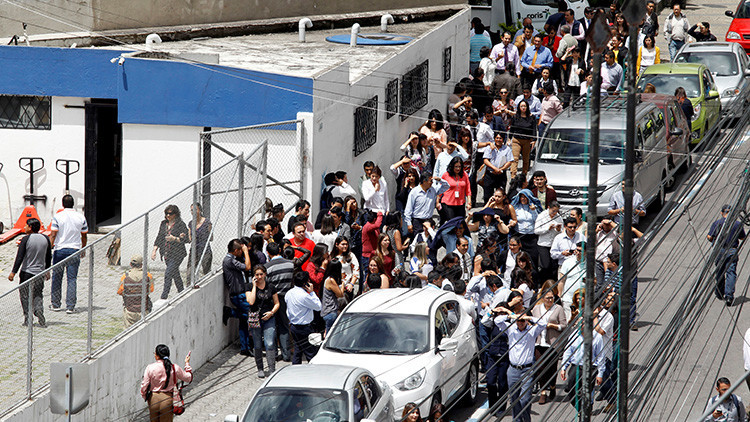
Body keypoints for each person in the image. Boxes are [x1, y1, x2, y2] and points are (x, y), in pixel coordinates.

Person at [494, 307, 547, 422]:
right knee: (514, 400)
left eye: (522, 321)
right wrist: (509, 316)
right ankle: (517, 420)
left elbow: (543, 323)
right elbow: (497, 321)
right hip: (513, 369)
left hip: (527, 369)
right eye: (518, 320)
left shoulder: (532, 331)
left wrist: (529, 317)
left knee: (525, 400)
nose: (520, 323)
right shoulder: (511, 329)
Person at [48, 194, 88, 313]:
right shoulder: (81, 217)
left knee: (57, 277)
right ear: (73, 203)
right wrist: (83, 248)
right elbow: (84, 235)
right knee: (72, 279)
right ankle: (70, 306)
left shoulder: (58, 217)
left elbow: (53, 234)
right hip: (74, 249)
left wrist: (50, 247)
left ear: (62, 204)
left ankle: (55, 304)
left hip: (59, 250)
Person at [9, 218, 51, 327]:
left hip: (26, 272)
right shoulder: (45, 238)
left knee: (24, 295)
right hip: (40, 273)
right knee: (38, 294)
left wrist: (13, 272)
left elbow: (20, 257)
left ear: (30, 227)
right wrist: (47, 270)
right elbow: (48, 257)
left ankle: (28, 317)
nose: (24, 227)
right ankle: (38, 311)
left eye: (26, 226)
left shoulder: (25, 239)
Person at [532, 284, 567, 404]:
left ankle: (552, 386)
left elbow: (564, 326)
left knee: (551, 368)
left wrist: (553, 325)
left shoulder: (558, 309)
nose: (550, 300)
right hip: (539, 342)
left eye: (552, 298)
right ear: (542, 298)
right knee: (540, 367)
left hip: (552, 344)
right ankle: (543, 392)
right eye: (547, 298)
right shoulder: (536, 309)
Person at [141, 344, 192, 422]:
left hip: (153, 399)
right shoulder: (174, 368)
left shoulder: (150, 367)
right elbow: (188, 378)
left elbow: (144, 385)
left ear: (157, 356)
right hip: (167, 400)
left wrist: (145, 397)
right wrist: (187, 364)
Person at [707, 204, 747, 306]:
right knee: (731, 273)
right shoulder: (737, 224)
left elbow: (709, 237)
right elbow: (742, 237)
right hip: (732, 251)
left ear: (722, 212)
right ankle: (729, 296)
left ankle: (720, 293)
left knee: (719, 271)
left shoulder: (717, 223)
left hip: (719, 251)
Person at [151, 204, 190, 300]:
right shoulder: (163, 224)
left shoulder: (180, 224)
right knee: (175, 273)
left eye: (170, 214)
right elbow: (159, 237)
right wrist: (154, 250)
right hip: (166, 254)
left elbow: (186, 240)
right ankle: (181, 291)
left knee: (168, 273)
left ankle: (164, 296)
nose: (168, 216)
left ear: (175, 214)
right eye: (166, 214)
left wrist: (175, 239)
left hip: (177, 254)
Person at [222, 239, 253, 356]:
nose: (242, 252)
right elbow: (247, 267)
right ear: (236, 250)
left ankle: (245, 347)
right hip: (237, 294)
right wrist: (246, 252)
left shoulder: (233, 259)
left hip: (241, 292)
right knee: (250, 315)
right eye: (240, 250)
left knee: (244, 321)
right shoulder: (229, 260)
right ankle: (230, 312)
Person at [248, 264, 280, 377]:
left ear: (265, 274)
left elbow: (277, 303)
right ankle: (260, 368)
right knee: (257, 344)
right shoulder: (249, 287)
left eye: (261, 274)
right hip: (256, 319)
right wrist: (254, 286)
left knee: (270, 343)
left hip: (269, 318)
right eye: (257, 274)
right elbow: (251, 302)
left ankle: (272, 369)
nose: (259, 276)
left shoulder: (271, 287)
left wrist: (271, 312)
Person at [265, 242, 294, 362]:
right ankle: (286, 354)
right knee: (284, 326)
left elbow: (266, 285)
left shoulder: (267, 267)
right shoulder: (290, 264)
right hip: (286, 298)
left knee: (272, 326)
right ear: (280, 250)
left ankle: (274, 354)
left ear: (268, 253)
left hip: (272, 299)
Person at [285, 271, 322, 364]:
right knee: (311, 353)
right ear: (305, 283)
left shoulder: (289, 293)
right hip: (304, 328)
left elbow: (288, 310)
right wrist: (312, 293)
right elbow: (318, 306)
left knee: (298, 351)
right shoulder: (304, 296)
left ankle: (295, 370)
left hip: (293, 326)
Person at [404, 171, 449, 236]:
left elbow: (446, 186)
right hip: (417, 221)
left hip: (429, 220)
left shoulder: (433, 190)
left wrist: (440, 180)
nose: (432, 183)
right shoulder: (414, 192)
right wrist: (409, 223)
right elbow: (408, 208)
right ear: (424, 181)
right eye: (430, 181)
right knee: (419, 242)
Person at [116, 255, 153, 328]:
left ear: (130, 264)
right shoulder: (148, 275)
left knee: (128, 332)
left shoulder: (125, 276)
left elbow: (119, 291)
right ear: (141, 265)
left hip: (130, 310)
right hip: (143, 309)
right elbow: (151, 290)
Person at [466, 111, 494, 206]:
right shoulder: (467, 128)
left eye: (469, 121)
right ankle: (473, 201)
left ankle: (487, 200)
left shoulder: (484, 127)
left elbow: (492, 139)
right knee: (472, 178)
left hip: (483, 154)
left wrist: (488, 151)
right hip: (473, 155)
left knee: (484, 178)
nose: (468, 123)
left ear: (475, 120)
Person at [483, 132, 515, 204]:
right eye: (497, 138)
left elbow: (510, 161)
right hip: (490, 174)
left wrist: (501, 169)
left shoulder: (507, 149)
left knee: (501, 194)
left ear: (503, 139)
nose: (498, 140)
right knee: (487, 195)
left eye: (500, 138)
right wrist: (494, 168)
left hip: (501, 175)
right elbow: (485, 160)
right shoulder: (489, 148)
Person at [534, 201, 563, 282]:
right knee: (545, 265)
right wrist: (547, 228)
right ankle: (543, 282)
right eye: (553, 211)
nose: (555, 213)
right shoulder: (541, 216)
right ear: (548, 208)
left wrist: (558, 229)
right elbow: (536, 230)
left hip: (554, 244)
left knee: (554, 266)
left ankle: (553, 283)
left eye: (556, 211)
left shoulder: (558, 217)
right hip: (543, 244)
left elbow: (562, 231)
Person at [509, 99, 538, 178]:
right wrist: (509, 138)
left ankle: (524, 177)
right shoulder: (515, 116)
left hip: (527, 141)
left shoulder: (531, 117)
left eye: (524, 106)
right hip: (516, 140)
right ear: (519, 107)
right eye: (521, 106)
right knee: (515, 159)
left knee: (526, 159)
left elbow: (534, 129)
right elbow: (512, 128)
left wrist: (534, 140)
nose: (523, 108)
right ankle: (513, 177)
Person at [558, 242, 586, 320]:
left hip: (582, 301)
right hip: (568, 299)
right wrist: (560, 295)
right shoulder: (567, 262)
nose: (578, 252)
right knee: (568, 322)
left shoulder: (590, 264)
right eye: (577, 250)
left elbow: (594, 281)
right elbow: (561, 281)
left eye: (580, 251)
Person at [321, 259, 347, 332]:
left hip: (328, 311)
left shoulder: (327, 279)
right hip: (330, 312)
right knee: (330, 335)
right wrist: (342, 285)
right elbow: (340, 295)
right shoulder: (331, 280)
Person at [189, 203, 213, 276]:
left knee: (206, 271)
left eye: (195, 210)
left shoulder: (206, 222)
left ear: (200, 210)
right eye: (191, 210)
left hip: (205, 250)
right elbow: (190, 238)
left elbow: (211, 238)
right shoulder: (191, 223)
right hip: (194, 250)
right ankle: (191, 285)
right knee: (190, 272)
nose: (193, 212)